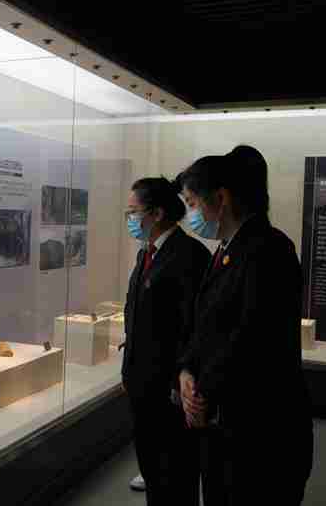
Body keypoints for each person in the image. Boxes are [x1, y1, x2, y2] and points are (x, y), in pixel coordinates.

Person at [177, 146, 314, 506]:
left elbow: (250, 337)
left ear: (221, 199)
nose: (190, 214)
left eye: (192, 203)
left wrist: (202, 392)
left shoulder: (269, 249)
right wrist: (187, 370)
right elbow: (205, 324)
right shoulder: (226, 249)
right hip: (225, 428)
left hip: (261, 434)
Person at [121, 177, 211, 506]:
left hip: (170, 392)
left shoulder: (189, 255)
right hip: (144, 386)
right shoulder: (147, 253)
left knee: (175, 475)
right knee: (153, 470)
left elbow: (193, 328)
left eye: (133, 212)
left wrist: (180, 380)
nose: (130, 219)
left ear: (157, 213)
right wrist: (129, 367)